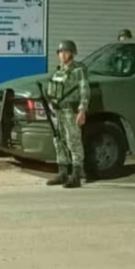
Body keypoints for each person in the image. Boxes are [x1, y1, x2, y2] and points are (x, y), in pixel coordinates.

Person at [44, 40, 90, 188]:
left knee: (73, 141)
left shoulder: (78, 70)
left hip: (71, 111)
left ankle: (76, 174)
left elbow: (85, 90)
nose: (63, 55)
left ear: (72, 53)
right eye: (61, 52)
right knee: (59, 141)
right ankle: (62, 172)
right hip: (57, 111)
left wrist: (82, 110)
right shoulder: (58, 71)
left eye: (66, 52)